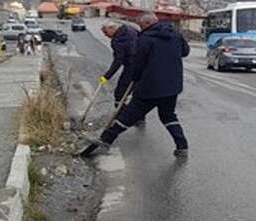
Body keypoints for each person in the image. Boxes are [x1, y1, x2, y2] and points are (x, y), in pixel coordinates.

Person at [81, 13, 189, 158]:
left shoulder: (146, 39)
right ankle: (182, 147)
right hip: (172, 86)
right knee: (168, 116)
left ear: (146, 24)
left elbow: (138, 63)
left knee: (128, 115)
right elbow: (185, 52)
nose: (140, 27)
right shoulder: (175, 34)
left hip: (150, 86)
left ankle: (105, 141)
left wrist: (135, 79)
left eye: (141, 25)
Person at [100, 22, 141, 122]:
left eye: (105, 32)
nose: (106, 35)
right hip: (142, 65)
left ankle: (124, 117)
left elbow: (118, 61)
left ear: (111, 28)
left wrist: (106, 77)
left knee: (119, 94)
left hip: (131, 68)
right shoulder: (131, 28)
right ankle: (139, 117)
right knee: (137, 93)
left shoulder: (117, 41)